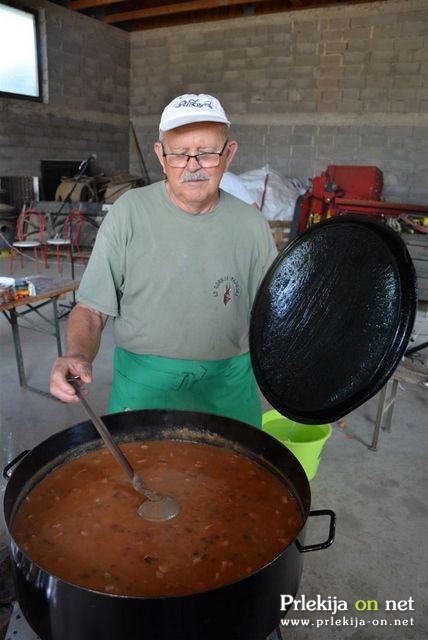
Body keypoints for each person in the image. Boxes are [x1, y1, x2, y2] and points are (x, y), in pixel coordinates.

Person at [49, 94, 277, 428]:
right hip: (142, 387)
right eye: (180, 154)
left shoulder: (252, 225)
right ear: (160, 155)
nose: (193, 165)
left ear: (228, 155)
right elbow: (92, 310)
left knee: (232, 479)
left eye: (208, 153)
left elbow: (274, 317)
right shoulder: (128, 213)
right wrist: (77, 355)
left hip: (228, 387)